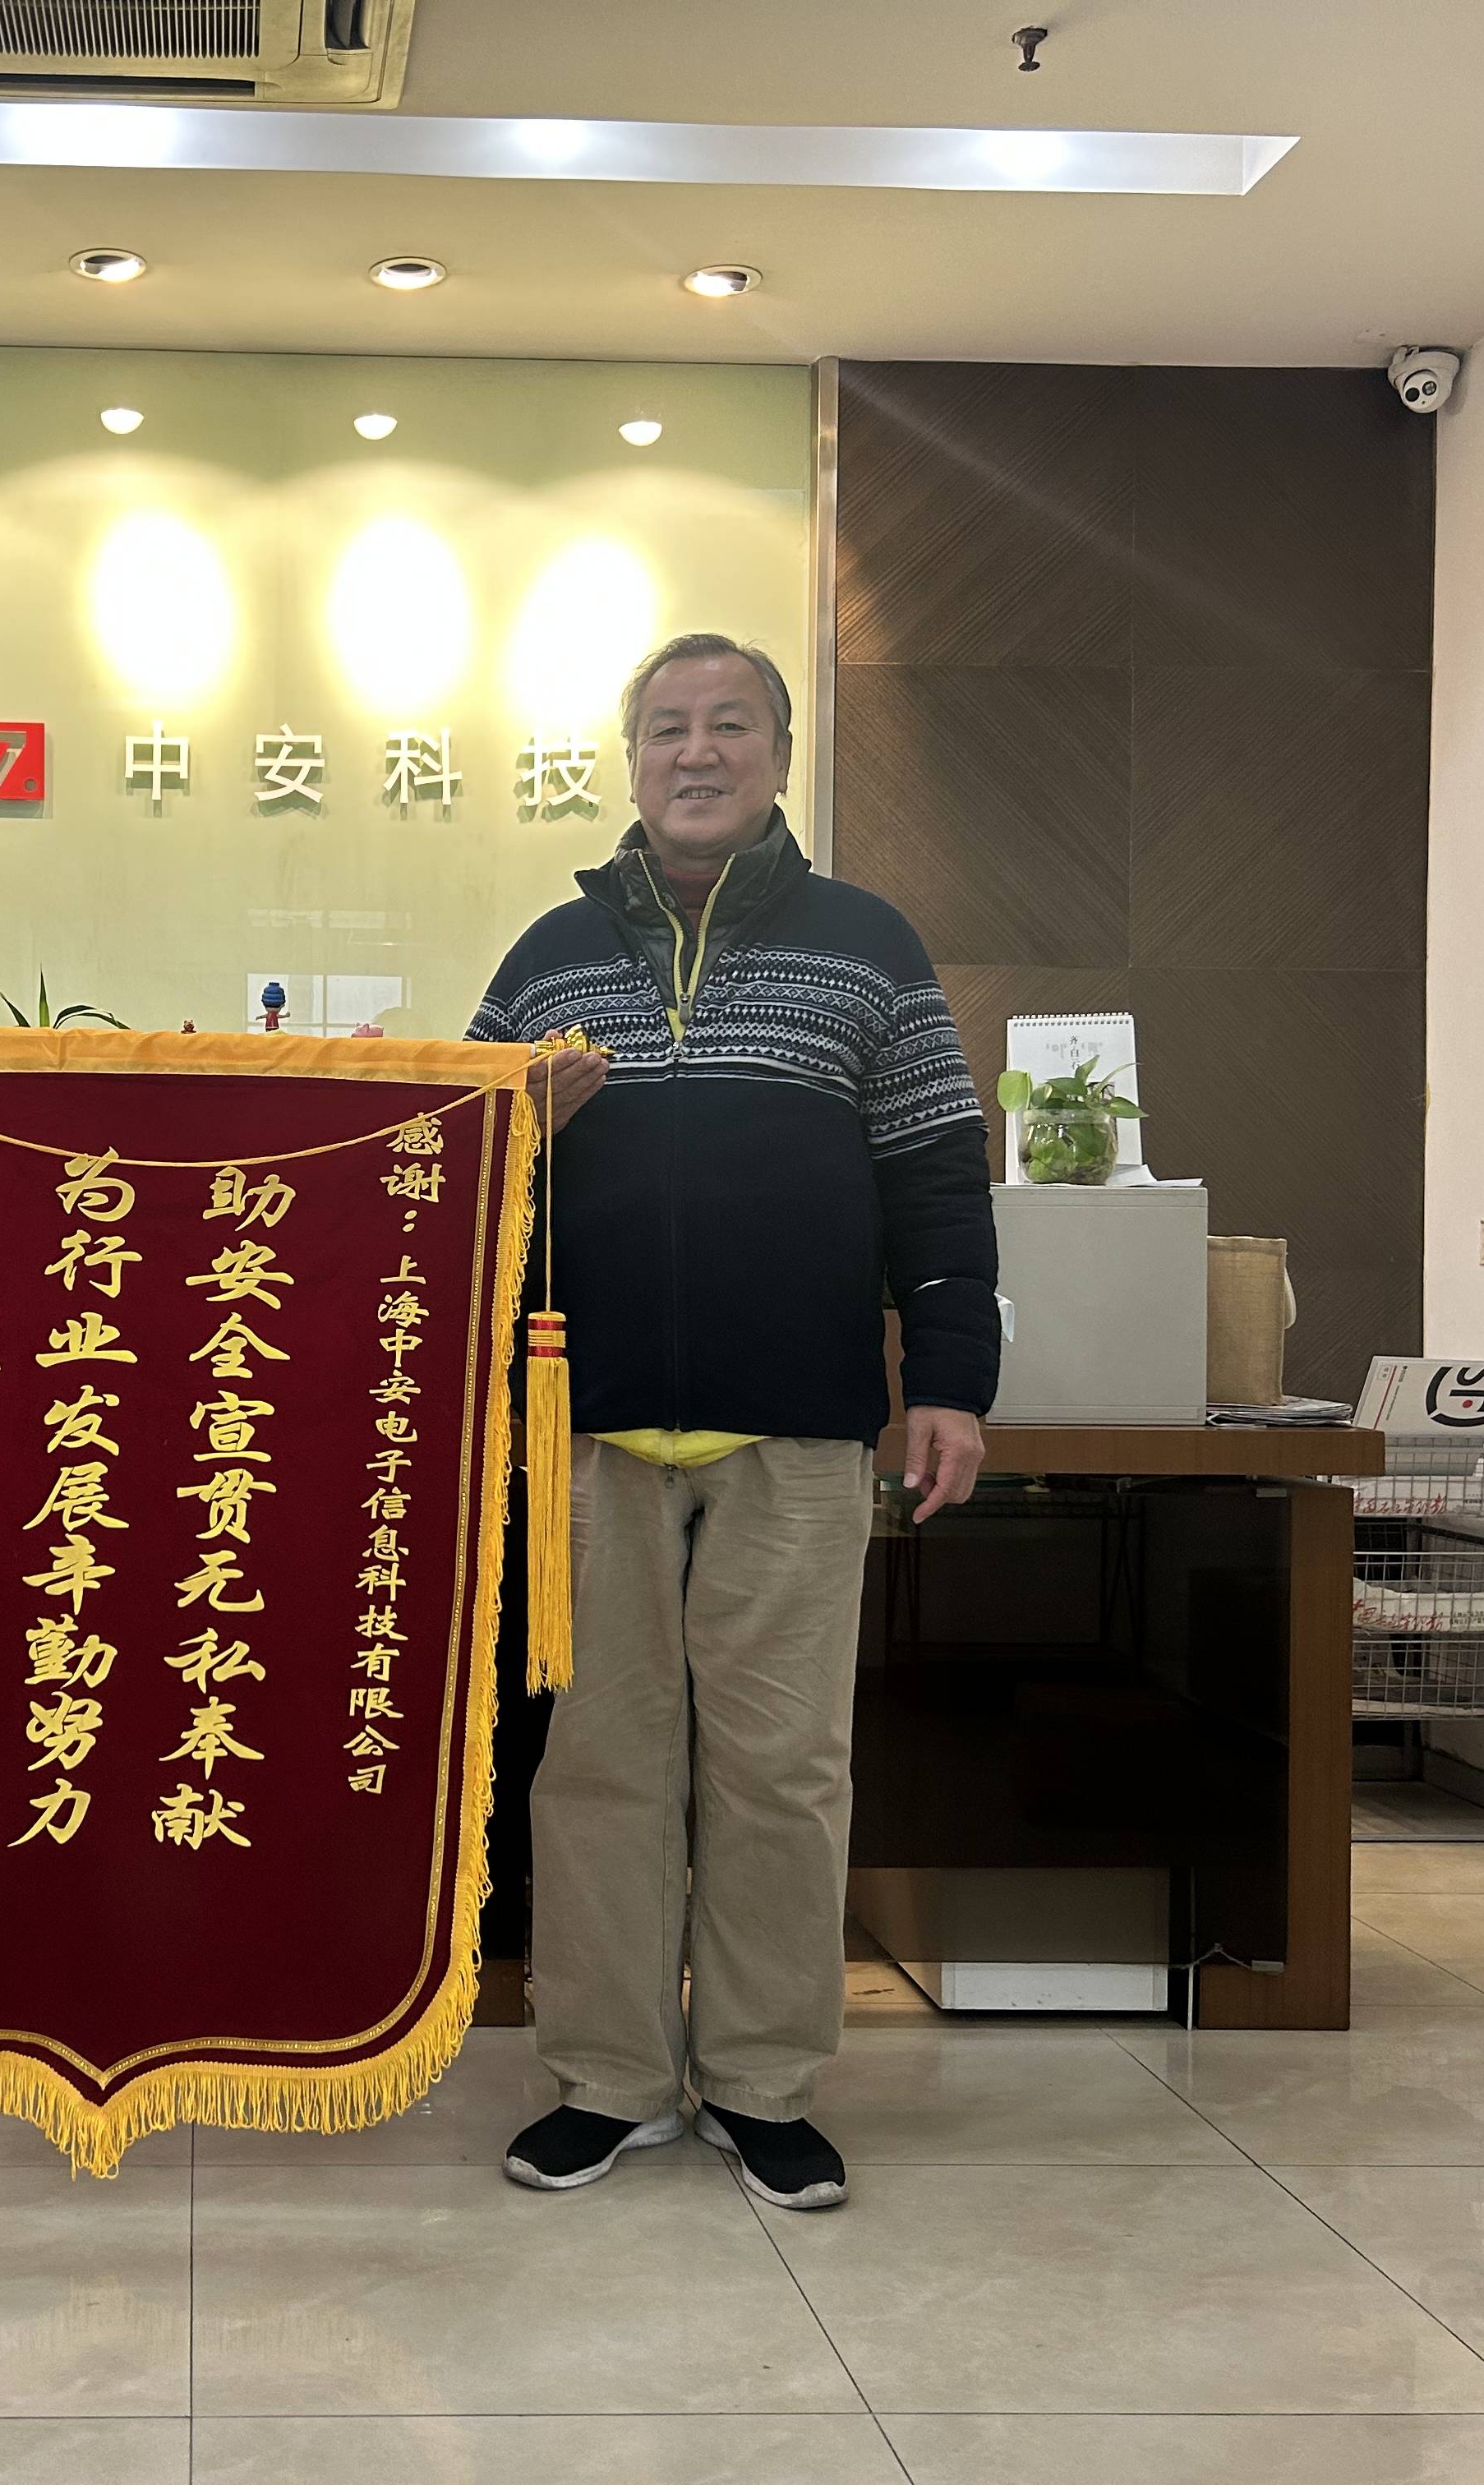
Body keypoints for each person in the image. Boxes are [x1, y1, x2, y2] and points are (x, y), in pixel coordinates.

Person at [468, 631, 997, 2212]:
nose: (696, 753)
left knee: (783, 1770)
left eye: (729, 726)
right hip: (584, 1436)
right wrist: (513, 1124)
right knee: (597, 1771)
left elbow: (937, 1182)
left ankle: (765, 2083)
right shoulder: (550, 958)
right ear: (631, 759)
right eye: (667, 729)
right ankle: (610, 2079)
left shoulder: (869, 949)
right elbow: (450, 1185)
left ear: (779, 754)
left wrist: (951, 1380)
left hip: (801, 1434)